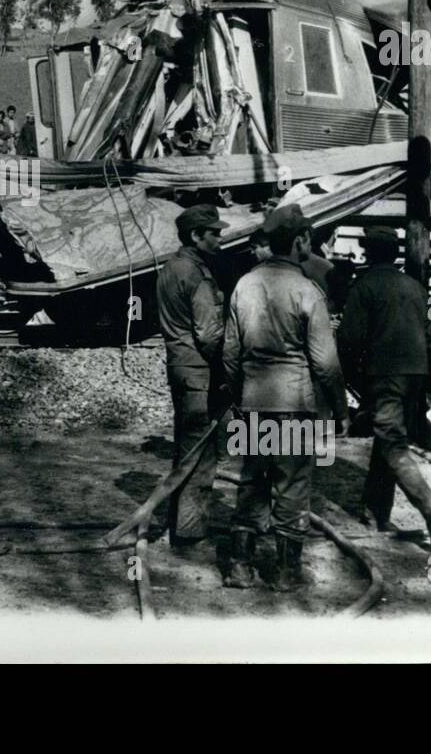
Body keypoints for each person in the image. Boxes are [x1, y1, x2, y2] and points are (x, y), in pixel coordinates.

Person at [223, 204, 347, 591]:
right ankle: (286, 571)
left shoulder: (244, 285)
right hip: (294, 405)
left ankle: (239, 566)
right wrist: (340, 407)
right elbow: (325, 361)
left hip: (253, 401)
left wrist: (236, 395)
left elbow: (230, 352)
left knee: (252, 480)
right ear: (299, 241)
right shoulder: (308, 290)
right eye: (308, 237)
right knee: (291, 485)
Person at [336, 225, 431, 553]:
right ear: (396, 253)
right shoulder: (416, 288)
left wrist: (343, 377)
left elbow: (349, 340)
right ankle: (375, 513)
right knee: (386, 440)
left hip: (384, 378)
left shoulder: (364, 287)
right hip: (415, 377)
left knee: (393, 445)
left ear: (368, 254)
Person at [156, 204, 230, 555]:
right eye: (213, 233)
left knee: (186, 448)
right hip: (200, 369)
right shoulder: (197, 274)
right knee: (201, 455)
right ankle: (189, 534)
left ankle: (178, 524)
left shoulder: (171, 267)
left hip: (179, 367)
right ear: (195, 236)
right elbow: (209, 334)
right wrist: (231, 367)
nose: (220, 237)